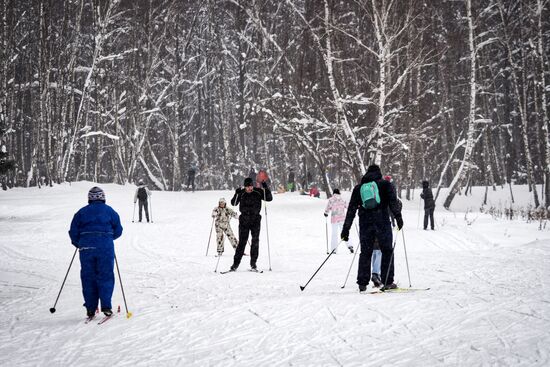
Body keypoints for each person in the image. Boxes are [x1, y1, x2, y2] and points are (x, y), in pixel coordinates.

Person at [341, 164, 403, 292]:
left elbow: (351, 210)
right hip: (382, 222)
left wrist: (345, 229)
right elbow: (393, 202)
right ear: (379, 173)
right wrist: (398, 218)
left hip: (365, 223)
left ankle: (362, 283)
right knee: (387, 251)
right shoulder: (385, 185)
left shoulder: (358, 188)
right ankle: (387, 281)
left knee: (366, 252)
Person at [69, 187, 123, 318]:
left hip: (86, 248)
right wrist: (108, 238)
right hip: (105, 247)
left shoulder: (81, 212)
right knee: (106, 275)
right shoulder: (110, 211)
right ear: (103, 197)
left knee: (88, 277)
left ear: (89, 198)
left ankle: (90, 308)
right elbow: (118, 230)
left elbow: (73, 232)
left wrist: (79, 243)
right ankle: (106, 306)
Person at [229, 177, 273, 271]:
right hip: (244, 220)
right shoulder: (241, 193)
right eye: (248, 186)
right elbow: (233, 203)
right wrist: (236, 193)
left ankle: (253, 264)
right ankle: (235, 265)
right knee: (242, 243)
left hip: (255, 220)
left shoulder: (258, 192)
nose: (250, 188)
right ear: (245, 187)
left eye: (251, 186)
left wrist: (265, 187)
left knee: (255, 241)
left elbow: (269, 198)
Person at [324, 189, 354, 254]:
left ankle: (334, 249)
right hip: (342, 218)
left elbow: (327, 208)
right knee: (344, 232)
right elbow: (348, 207)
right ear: (339, 193)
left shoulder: (331, 200)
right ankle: (350, 245)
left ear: (333, 193)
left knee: (334, 234)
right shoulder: (343, 199)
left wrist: (326, 213)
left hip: (334, 219)